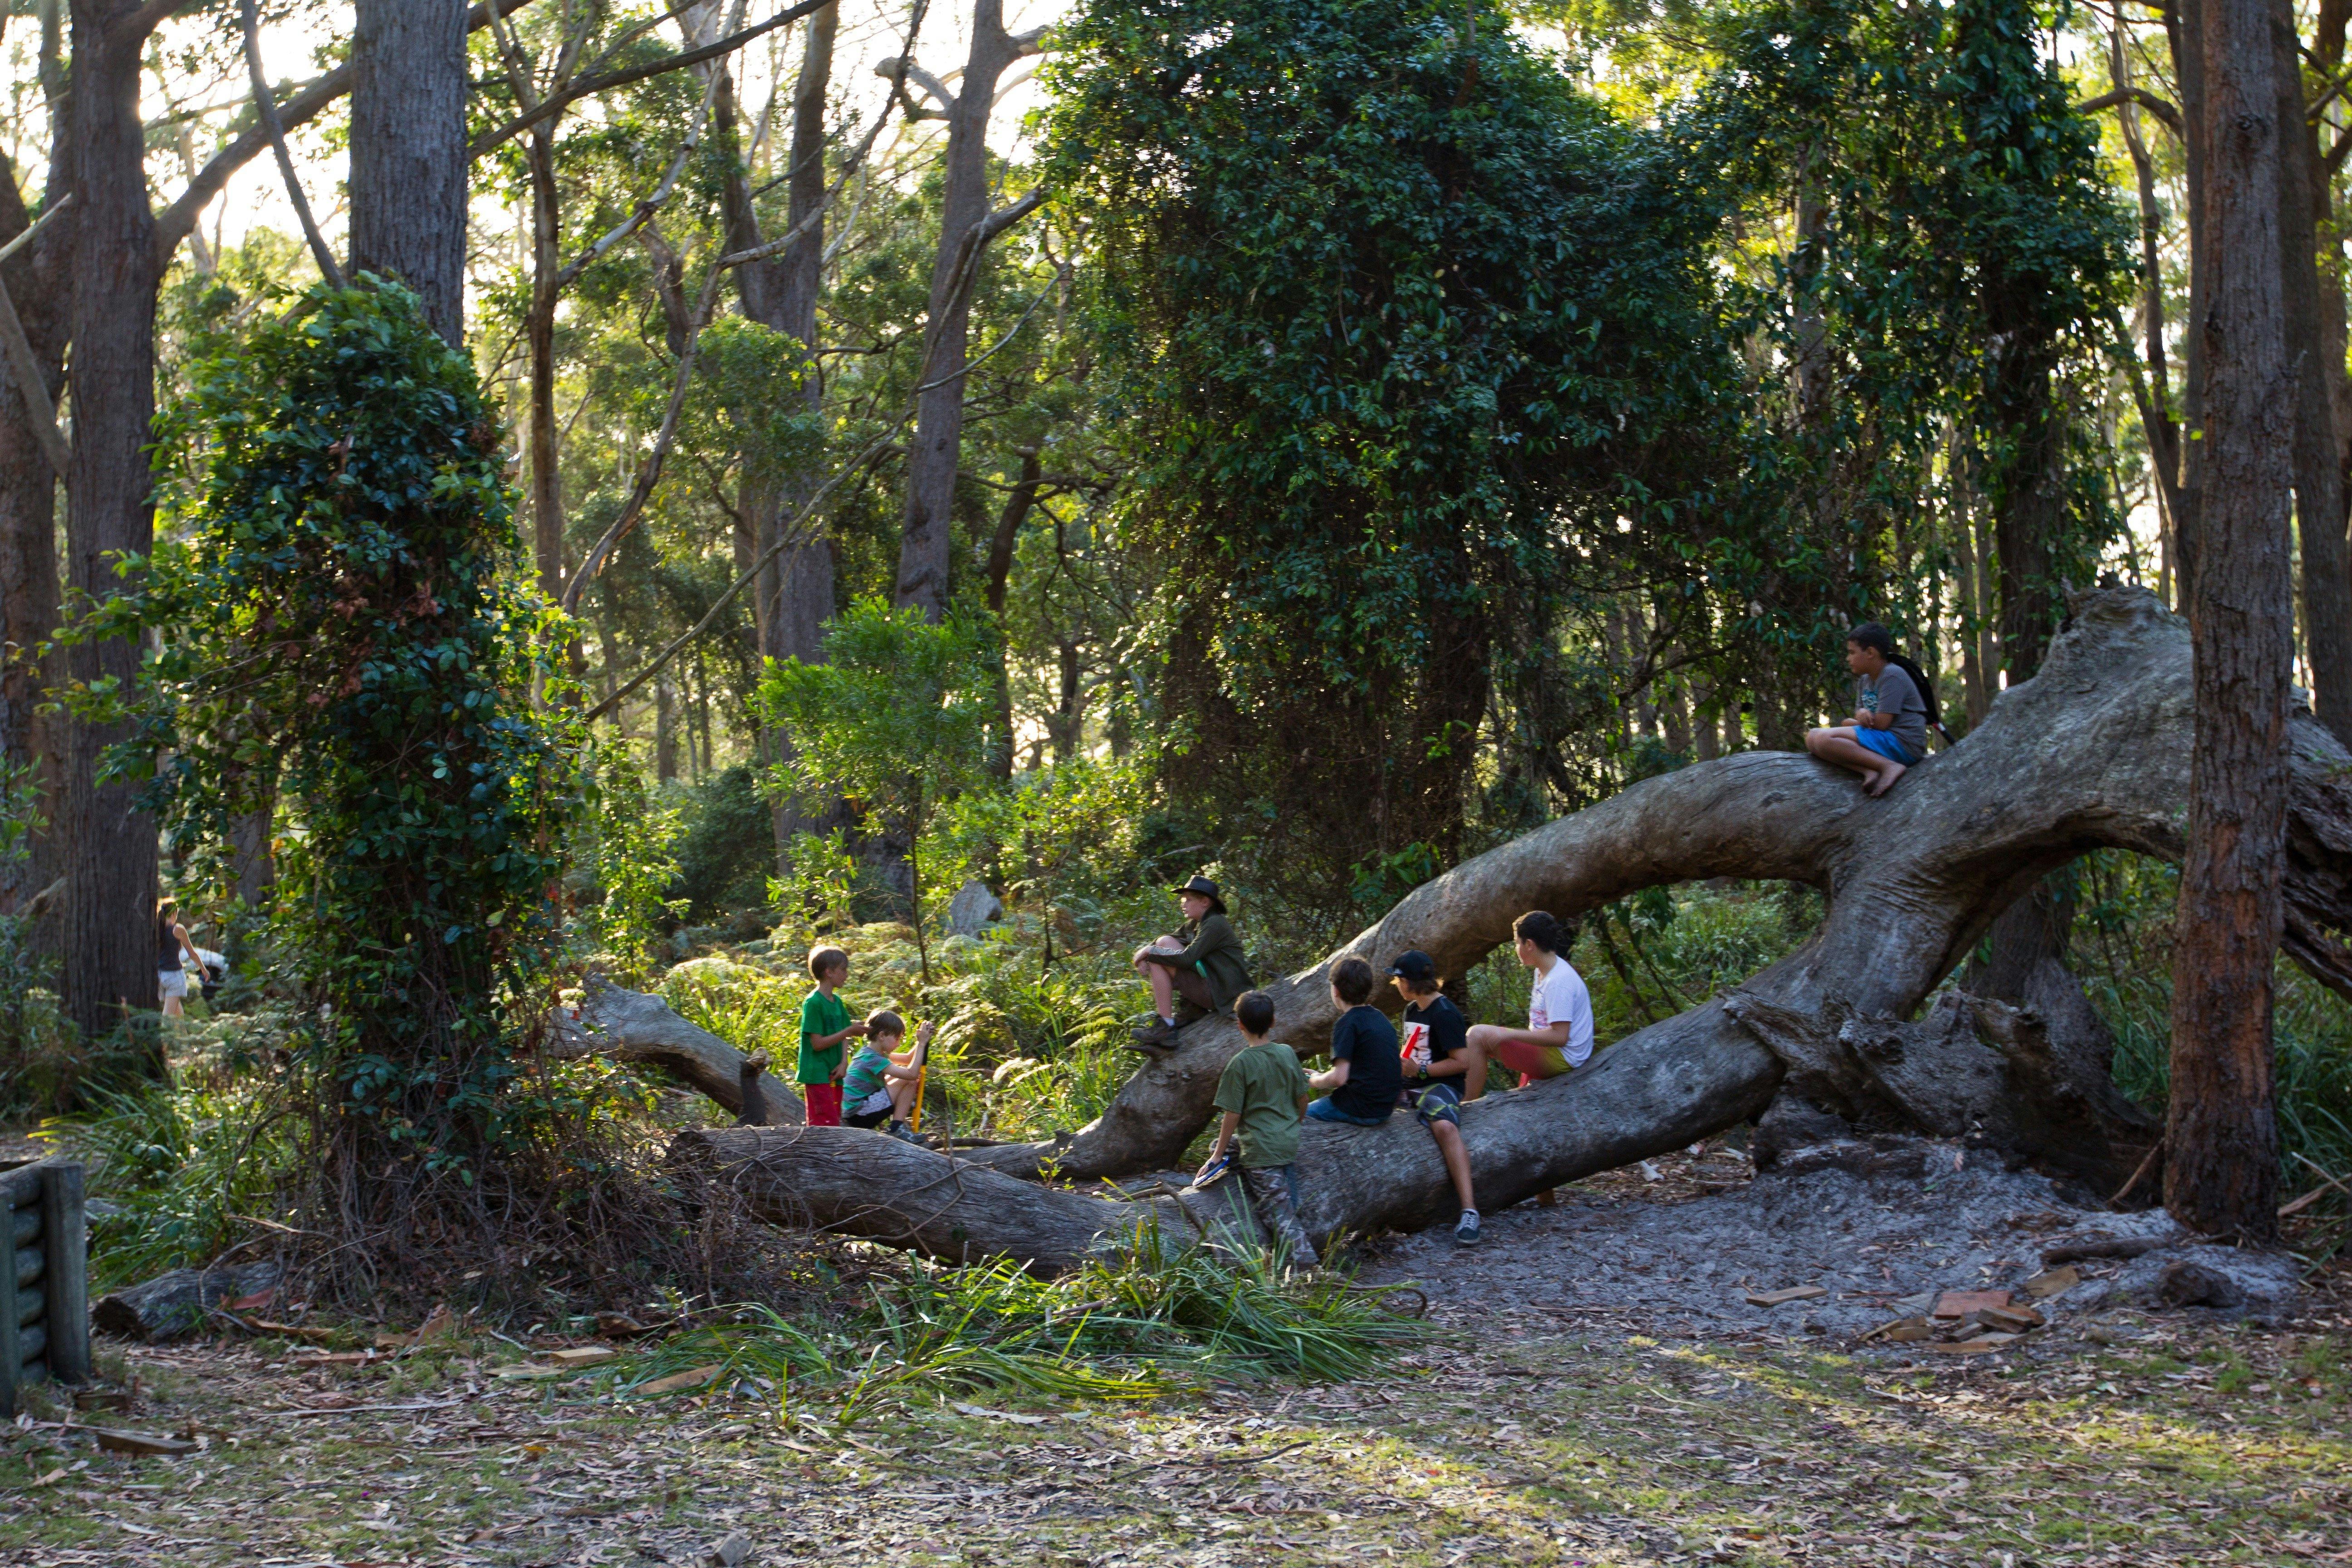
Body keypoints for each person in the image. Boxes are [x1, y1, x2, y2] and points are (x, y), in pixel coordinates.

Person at [1194, 990, 1314, 1262]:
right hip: (1287, 1139)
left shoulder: (1241, 1065)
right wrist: (1294, 1124)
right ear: (1273, 1022)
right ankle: (1239, 1165)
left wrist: (1215, 1157)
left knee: (1279, 1213)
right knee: (1225, 1148)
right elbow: (1303, 1099)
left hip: (1262, 1150)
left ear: (1240, 1025)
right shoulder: (1286, 1053)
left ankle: (1308, 1267)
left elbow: (1232, 1115)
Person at [1388, 951, 1483, 1246]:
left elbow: (1463, 1062)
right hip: (1413, 1081)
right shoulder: (1412, 1011)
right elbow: (1413, 1051)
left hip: (1442, 1085)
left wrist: (1423, 1071)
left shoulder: (1444, 1013)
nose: (1396, 983)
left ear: (1411, 981)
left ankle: (1469, 1211)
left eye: (1399, 978)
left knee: (1444, 1127)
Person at [1464, 911, 1594, 1089]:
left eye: (1517, 943)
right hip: (1549, 1050)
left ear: (1530, 945)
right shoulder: (1542, 971)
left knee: (1476, 1036)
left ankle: (1465, 1106)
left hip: (1563, 1057)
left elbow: (1560, 1037)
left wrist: (1509, 1033)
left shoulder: (1559, 981)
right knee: (1484, 1038)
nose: (1516, 949)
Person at [1804, 621, 1933, 798]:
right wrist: (1859, 716)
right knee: (1812, 738)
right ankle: (1869, 770)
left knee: (1825, 738)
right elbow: (1861, 718)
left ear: (1871, 653)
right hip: (1884, 739)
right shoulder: (1865, 681)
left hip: (1903, 743)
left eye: (1852, 653)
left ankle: (1888, 766)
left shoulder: (1892, 675)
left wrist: (1855, 721)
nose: (1848, 659)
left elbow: (1880, 725)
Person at [1131, 874, 1254, 1047]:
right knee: (1164, 943)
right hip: (1215, 987)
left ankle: (1166, 1026)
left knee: (1159, 955)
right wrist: (1145, 953)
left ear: (1204, 902)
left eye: (1188, 900)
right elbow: (1171, 939)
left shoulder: (1215, 923)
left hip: (1224, 995)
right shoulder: (1197, 923)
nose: (1183, 903)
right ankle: (1191, 1008)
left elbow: (1187, 959)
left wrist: (1149, 952)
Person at [1305, 956, 1401, 1127]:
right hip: (1385, 1109)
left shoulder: (1346, 1023)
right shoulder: (1380, 1018)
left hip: (1360, 1109)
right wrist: (1320, 1076)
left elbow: (1340, 1078)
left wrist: (1313, 1081)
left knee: (1300, 1115)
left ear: (1336, 991)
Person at [796, 946, 868, 1127]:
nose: (847, 974)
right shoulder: (813, 1003)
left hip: (835, 1071)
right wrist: (849, 1031)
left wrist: (844, 1062)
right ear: (829, 972)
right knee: (823, 1123)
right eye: (843, 970)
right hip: (817, 1073)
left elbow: (845, 1034)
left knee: (834, 1119)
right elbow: (817, 1044)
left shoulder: (837, 1002)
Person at [842, 1011, 930, 1142]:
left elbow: (907, 1059)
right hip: (858, 1115)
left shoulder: (872, 1053)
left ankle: (898, 1126)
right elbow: (912, 1074)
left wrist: (922, 1039)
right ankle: (897, 1128)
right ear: (882, 1036)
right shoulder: (872, 1058)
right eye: (897, 1039)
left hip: (857, 1113)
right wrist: (922, 1044)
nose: (898, 1044)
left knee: (907, 1079)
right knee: (909, 1079)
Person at [155, 898, 201, 1019]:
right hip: (174, 977)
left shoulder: (157, 930)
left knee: (179, 1017)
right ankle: (160, 1037)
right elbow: (192, 954)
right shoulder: (178, 929)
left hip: (160, 976)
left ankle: (185, 1037)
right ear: (174, 913)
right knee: (168, 1018)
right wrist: (204, 970)